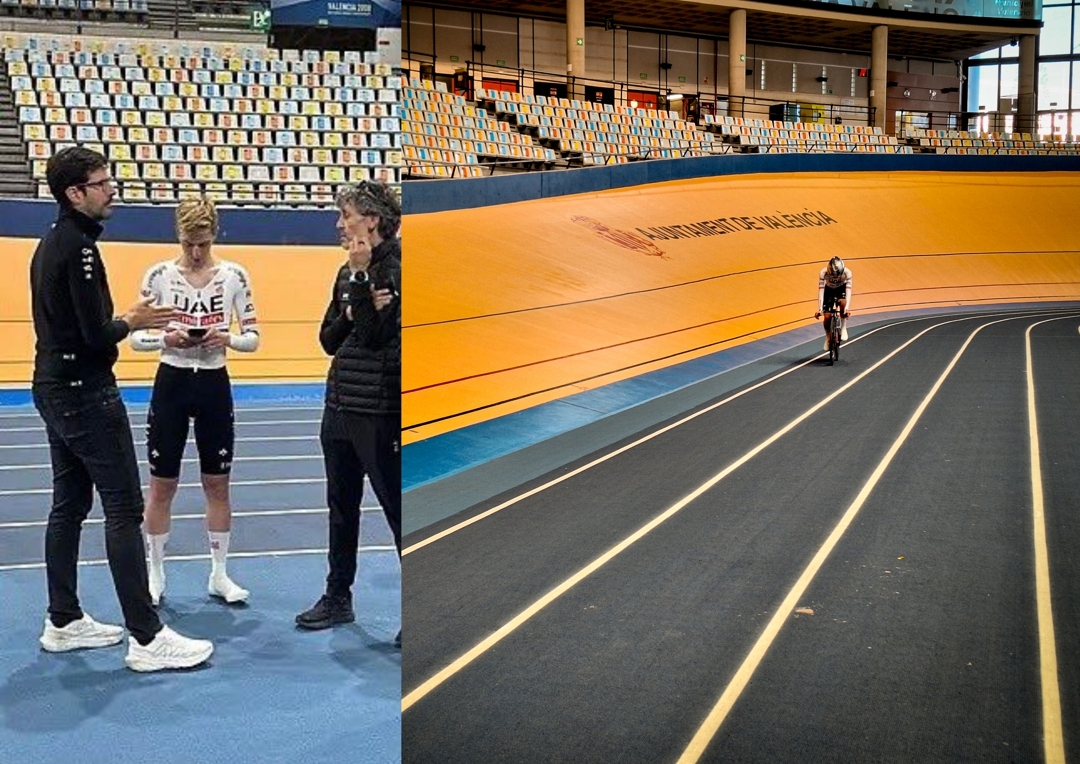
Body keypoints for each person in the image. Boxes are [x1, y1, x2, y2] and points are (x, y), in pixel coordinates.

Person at [30, 146, 213, 671]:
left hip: (52, 383)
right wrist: (133, 320)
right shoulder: (81, 250)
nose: (111, 189)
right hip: (85, 391)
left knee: (68, 503)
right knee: (124, 508)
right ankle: (147, 637)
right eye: (102, 182)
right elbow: (94, 335)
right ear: (75, 193)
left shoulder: (50, 242)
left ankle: (63, 619)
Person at [130, 197, 260, 606]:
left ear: (214, 236)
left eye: (202, 243)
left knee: (217, 483)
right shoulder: (159, 275)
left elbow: (253, 337)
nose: (197, 252)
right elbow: (134, 337)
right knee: (161, 484)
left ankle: (219, 574)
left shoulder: (235, 275)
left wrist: (229, 339)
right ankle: (155, 572)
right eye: (189, 244)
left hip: (214, 383)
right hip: (171, 380)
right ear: (178, 238)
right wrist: (165, 339)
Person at [296, 181, 401, 649]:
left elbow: (378, 336)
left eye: (347, 216)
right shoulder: (347, 272)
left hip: (378, 410)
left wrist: (361, 287)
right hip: (339, 406)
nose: (339, 224)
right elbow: (329, 339)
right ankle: (337, 596)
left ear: (371, 221)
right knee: (341, 509)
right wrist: (358, 297)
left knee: (399, 511)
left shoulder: (398, 270)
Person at [815, 256, 852, 350]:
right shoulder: (823, 273)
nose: (835, 278)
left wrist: (846, 308)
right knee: (827, 317)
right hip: (829, 291)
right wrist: (820, 309)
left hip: (841, 290)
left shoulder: (847, 273)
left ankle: (843, 328)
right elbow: (821, 291)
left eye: (837, 276)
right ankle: (828, 338)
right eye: (833, 276)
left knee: (843, 303)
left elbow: (848, 291)